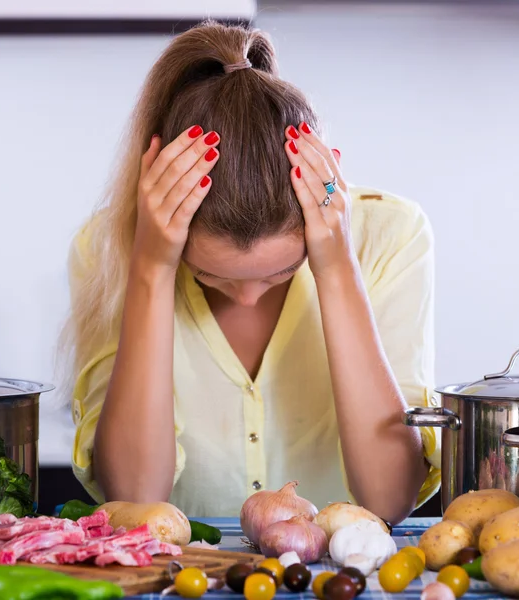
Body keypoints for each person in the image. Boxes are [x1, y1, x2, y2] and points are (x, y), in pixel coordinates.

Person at [66, 21, 441, 523]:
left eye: (283, 271)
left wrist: (336, 267)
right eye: (209, 275)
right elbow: (136, 498)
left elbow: (390, 499)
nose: (246, 298)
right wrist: (152, 269)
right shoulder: (108, 247)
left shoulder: (392, 235)